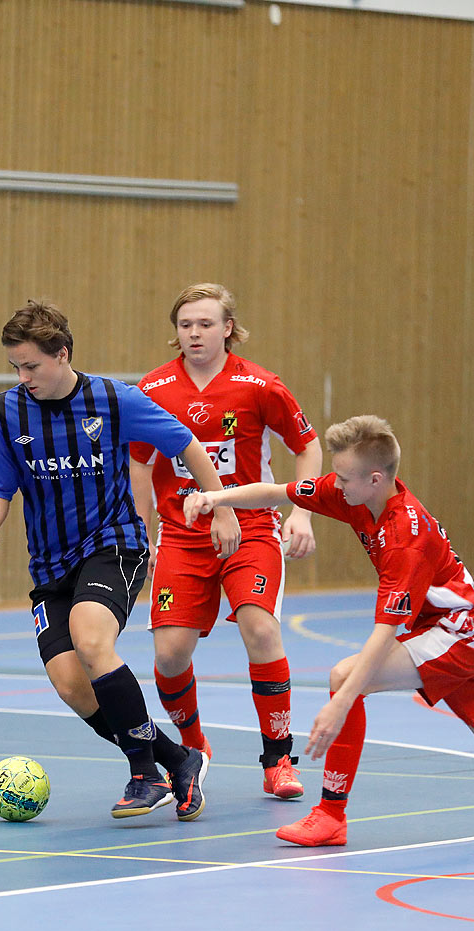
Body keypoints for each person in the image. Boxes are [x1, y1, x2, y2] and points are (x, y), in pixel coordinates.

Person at [184, 414, 474, 846]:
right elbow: (277, 492)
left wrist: (340, 703)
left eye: (344, 477)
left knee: (345, 677)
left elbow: (385, 632)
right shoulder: (355, 494)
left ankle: (331, 815)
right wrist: (215, 497)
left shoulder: (404, 540)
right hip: (462, 627)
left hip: (458, 633)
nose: (333, 484)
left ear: (374, 480)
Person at [0, 299, 239, 821]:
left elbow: (185, 444)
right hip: (51, 565)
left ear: (62, 354)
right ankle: (178, 760)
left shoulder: (113, 399)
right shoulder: (5, 412)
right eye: (16, 368)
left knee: (93, 640)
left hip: (113, 545)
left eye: (32, 366)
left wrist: (220, 506)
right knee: (72, 684)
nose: (23, 377)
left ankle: (144, 776)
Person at [129, 283, 322, 799]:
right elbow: (141, 468)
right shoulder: (152, 390)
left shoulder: (260, 385)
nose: (194, 333)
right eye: (186, 324)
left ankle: (278, 759)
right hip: (182, 537)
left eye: (206, 323)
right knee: (169, 655)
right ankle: (192, 749)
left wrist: (301, 512)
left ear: (227, 328)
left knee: (260, 631)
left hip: (251, 529)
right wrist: (138, 536)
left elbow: (308, 446)